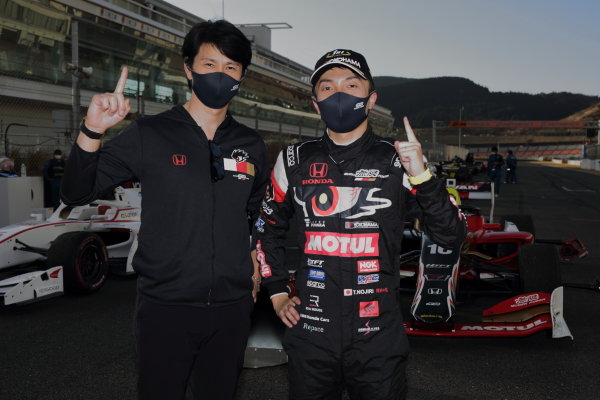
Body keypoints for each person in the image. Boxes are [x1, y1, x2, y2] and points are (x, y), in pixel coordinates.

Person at [60, 20, 269, 400]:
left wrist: (254, 260)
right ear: (188, 69)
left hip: (233, 308)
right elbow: (76, 192)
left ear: (242, 76)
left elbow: (255, 213)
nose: (220, 75)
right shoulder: (149, 134)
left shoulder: (251, 144)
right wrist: (92, 130)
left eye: (231, 67)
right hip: (165, 307)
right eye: (209, 65)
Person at [255, 49, 466, 399]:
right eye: (327, 87)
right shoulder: (292, 160)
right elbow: (266, 228)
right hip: (311, 333)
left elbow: (451, 233)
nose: (339, 94)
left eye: (351, 85)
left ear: (370, 100)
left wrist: (423, 176)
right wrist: (277, 292)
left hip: (377, 336)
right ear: (315, 103)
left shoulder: (398, 160)